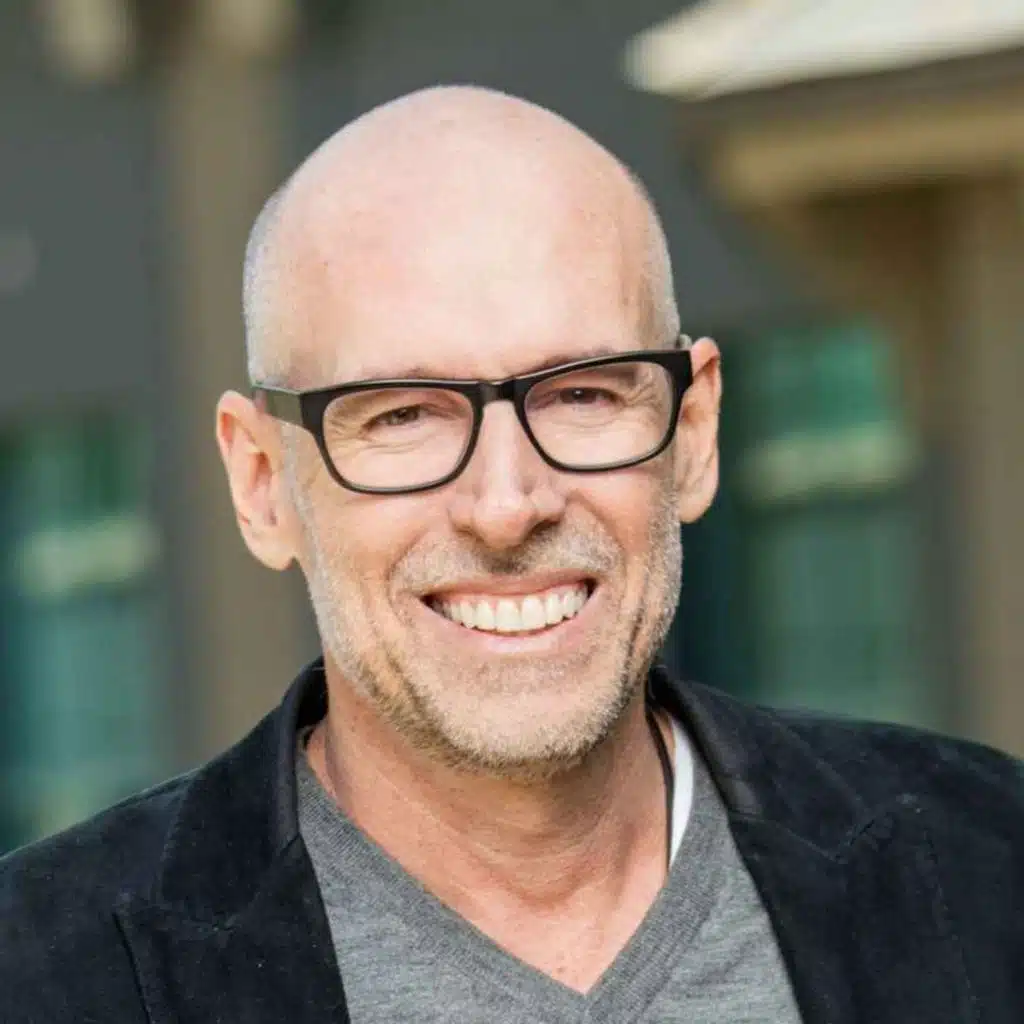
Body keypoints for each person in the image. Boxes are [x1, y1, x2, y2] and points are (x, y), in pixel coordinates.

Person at [1, 85, 1022, 1024]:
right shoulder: (40, 978)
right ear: (263, 483)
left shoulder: (992, 868)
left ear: (694, 432)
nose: (505, 505)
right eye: (401, 414)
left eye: (581, 393)